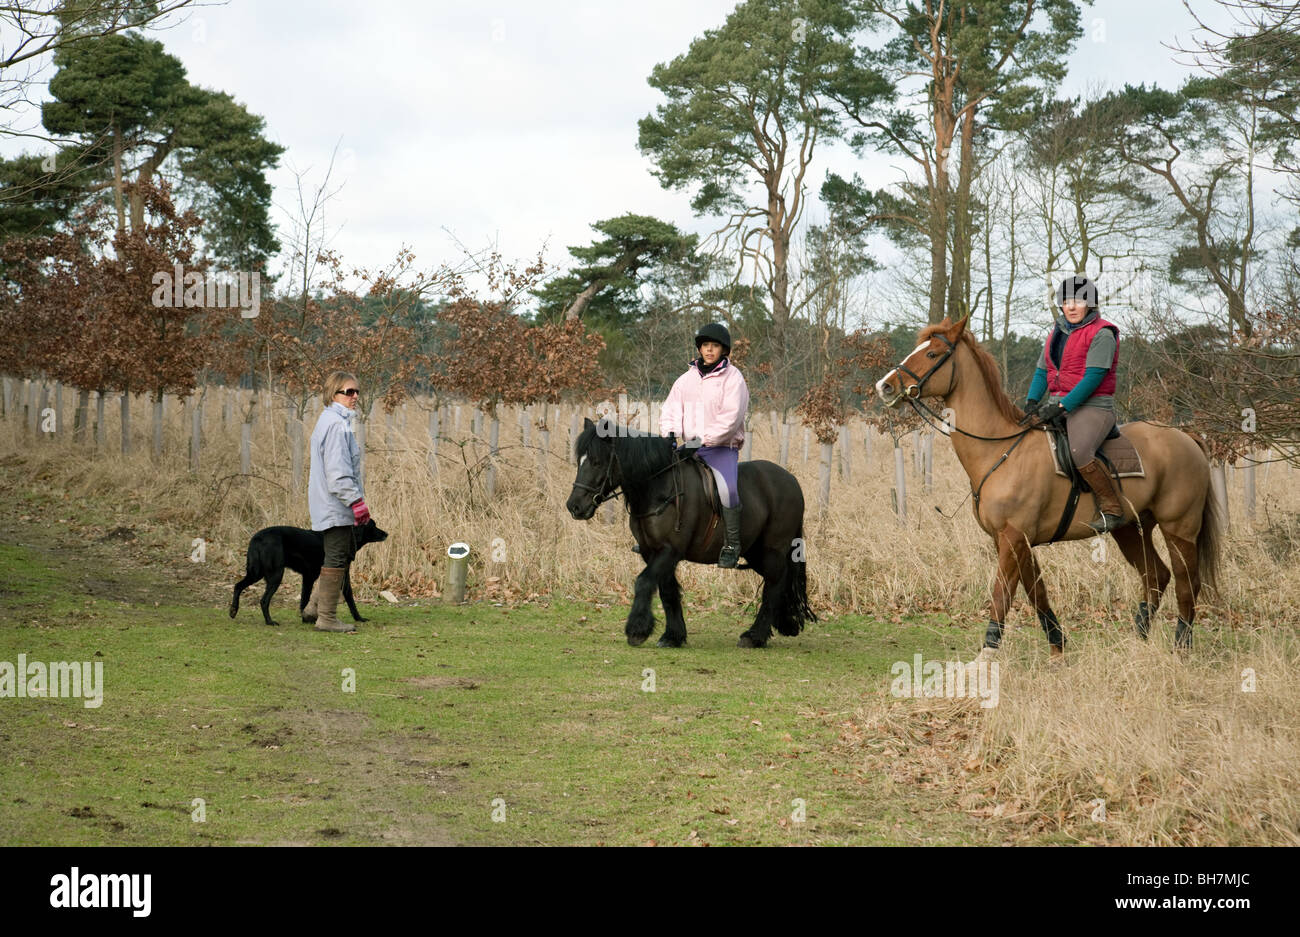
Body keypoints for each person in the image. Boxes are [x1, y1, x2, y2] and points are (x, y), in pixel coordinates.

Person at [1021, 276, 1126, 533]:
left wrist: (1061, 407)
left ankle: (1112, 508)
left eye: (1078, 301)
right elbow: (1040, 371)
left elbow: (1093, 378)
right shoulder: (1056, 333)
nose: (1071, 307)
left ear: (1089, 304)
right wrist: (1032, 401)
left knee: (1079, 451)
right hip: (1057, 403)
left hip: (1094, 407)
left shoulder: (1103, 333)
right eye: (1066, 301)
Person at [659, 323, 750, 567]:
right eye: (705, 346)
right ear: (700, 348)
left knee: (728, 489)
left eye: (715, 346)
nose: (709, 350)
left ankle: (732, 544)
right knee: (662, 476)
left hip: (720, 448)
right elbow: (671, 409)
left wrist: (702, 441)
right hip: (689, 447)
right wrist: (669, 434)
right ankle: (657, 536)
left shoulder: (734, 379)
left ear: (723, 350)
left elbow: (730, 419)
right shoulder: (686, 379)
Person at [303, 370, 373, 632]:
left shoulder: (333, 420)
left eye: (357, 391)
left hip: (330, 501)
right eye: (348, 392)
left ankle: (313, 609)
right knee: (336, 557)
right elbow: (338, 472)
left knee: (338, 555)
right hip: (336, 502)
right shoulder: (335, 425)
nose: (355, 396)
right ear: (333, 394)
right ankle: (327, 618)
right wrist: (355, 501)